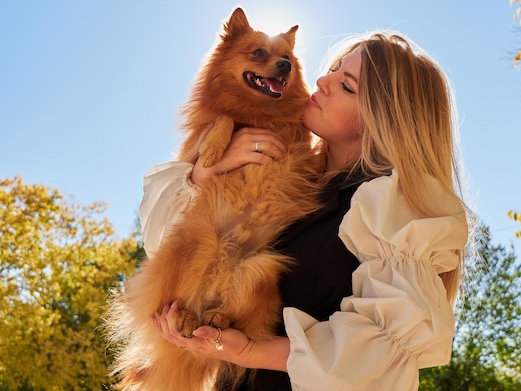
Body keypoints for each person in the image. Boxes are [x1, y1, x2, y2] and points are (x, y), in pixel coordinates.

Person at [146, 30, 470, 390]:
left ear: (382, 120)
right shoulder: (293, 177)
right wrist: (206, 172)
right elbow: (168, 245)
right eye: (333, 69)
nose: (321, 81)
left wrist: (249, 350)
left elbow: (381, 354)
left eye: (346, 85)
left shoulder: (389, 211)